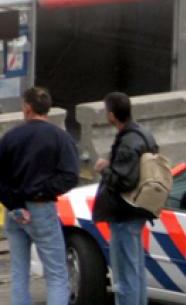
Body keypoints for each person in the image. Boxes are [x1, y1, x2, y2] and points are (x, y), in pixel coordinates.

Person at [0, 87, 79, 305]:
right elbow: (71, 176)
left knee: (19, 272)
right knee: (56, 275)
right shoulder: (60, 137)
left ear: (27, 109)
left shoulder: (10, 137)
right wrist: (42, 190)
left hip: (14, 211)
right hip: (42, 207)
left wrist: (15, 203)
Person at [92, 92, 158, 305]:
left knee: (124, 276)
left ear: (112, 115)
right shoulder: (143, 134)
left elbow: (123, 181)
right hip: (138, 210)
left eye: (106, 110)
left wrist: (105, 169)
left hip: (124, 214)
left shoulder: (128, 142)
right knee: (135, 270)